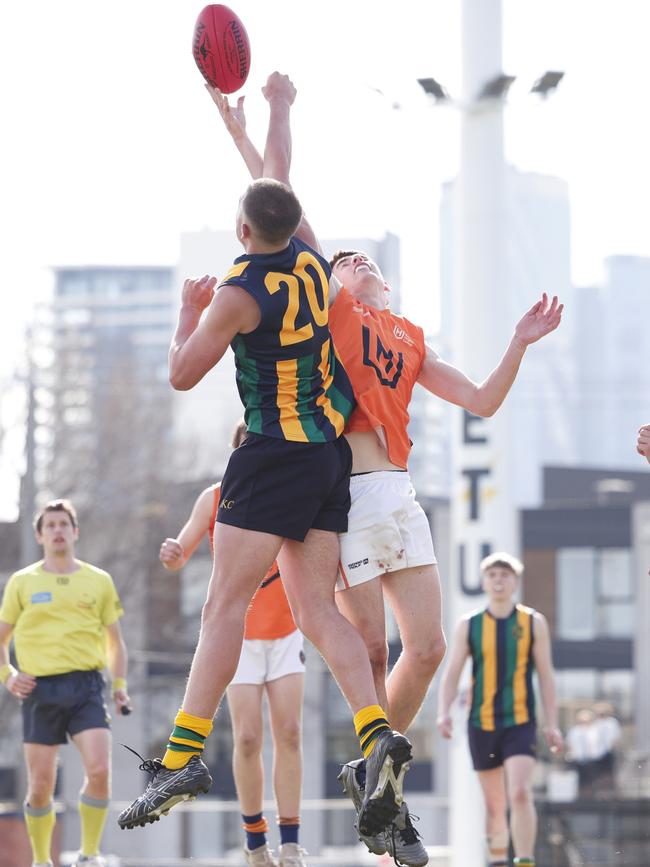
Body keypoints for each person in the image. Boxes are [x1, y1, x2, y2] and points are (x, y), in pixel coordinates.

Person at [208, 73, 563, 866]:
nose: (353, 256)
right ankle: (382, 791)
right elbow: (280, 197)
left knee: (429, 648)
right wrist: (265, 119)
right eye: (341, 257)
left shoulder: (404, 333)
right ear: (330, 277)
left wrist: (518, 344)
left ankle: (374, 775)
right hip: (344, 490)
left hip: (398, 492)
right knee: (369, 653)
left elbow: (480, 400)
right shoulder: (331, 309)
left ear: (384, 277)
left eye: (363, 255)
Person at [118, 72, 413, 840]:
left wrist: (186, 314)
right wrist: (276, 110)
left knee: (224, 605)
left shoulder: (239, 291)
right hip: (324, 458)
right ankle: (377, 729)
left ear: (243, 232)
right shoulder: (315, 259)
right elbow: (275, 176)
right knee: (318, 610)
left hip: (269, 454)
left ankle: (183, 753)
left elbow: (182, 373)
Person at [159, 420, 307, 867]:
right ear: (238, 451)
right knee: (246, 737)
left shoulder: (293, 491)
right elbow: (182, 551)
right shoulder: (215, 497)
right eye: (249, 445)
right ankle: (255, 839)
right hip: (239, 637)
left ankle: (291, 842)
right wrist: (173, 554)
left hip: (286, 633)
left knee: (290, 733)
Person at [0, 499, 130, 867]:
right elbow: (1, 639)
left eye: (63, 524)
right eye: (50, 525)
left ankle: (89, 855)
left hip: (87, 688)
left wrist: (119, 683)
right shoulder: (22, 582)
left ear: (75, 532)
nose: (57, 530)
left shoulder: (98, 580)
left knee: (100, 770)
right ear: (40, 535)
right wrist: (8, 677)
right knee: (41, 786)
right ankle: (42, 860)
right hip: (39, 690)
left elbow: (115, 642)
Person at [436, 552, 564, 867]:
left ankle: (524, 860)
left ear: (515, 582)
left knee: (520, 792)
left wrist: (552, 724)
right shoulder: (470, 625)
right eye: (492, 575)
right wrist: (444, 712)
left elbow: (546, 676)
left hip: (520, 721)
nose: (498, 580)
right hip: (482, 723)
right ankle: (496, 862)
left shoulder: (533, 622)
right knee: (494, 805)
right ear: (484, 581)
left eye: (504, 575)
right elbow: (452, 673)